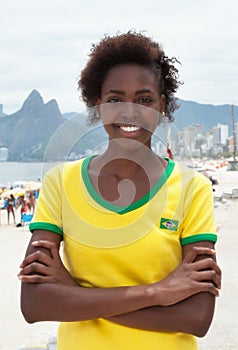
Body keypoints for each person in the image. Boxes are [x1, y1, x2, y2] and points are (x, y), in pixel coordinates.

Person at [18, 31, 221, 350]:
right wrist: (160, 292)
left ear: (161, 105)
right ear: (98, 104)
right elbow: (35, 305)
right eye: (115, 99)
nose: (130, 112)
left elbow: (196, 317)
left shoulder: (191, 188)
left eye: (144, 99)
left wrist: (74, 294)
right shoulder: (60, 183)